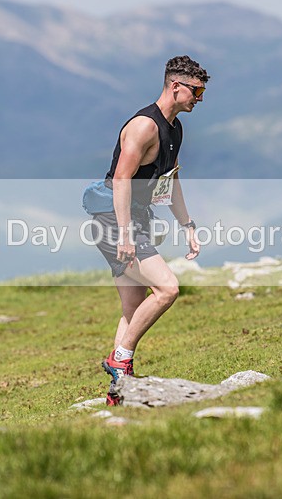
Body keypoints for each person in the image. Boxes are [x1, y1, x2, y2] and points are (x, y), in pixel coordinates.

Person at [91, 55, 210, 406]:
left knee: (132, 307)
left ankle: (119, 392)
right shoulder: (144, 126)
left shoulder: (175, 128)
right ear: (176, 87)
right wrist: (125, 234)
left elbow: (169, 183)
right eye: (197, 91)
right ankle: (120, 361)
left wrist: (187, 225)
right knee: (167, 288)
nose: (200, 99)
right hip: (114, 220)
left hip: (133, 218)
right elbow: (121, 180)